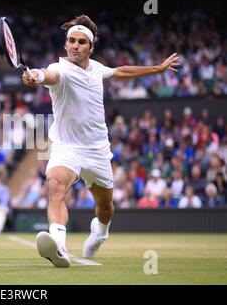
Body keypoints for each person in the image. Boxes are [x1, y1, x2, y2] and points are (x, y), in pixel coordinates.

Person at [22, 14, 179, 267]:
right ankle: (59, 247)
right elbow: (47, 75)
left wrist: (157, 69)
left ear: (90, 47)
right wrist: (36, 77)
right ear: (65, 45)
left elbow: (121, 72)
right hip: (67, 147)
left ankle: (100, 233)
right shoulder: (59, 69)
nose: (75, 46)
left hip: (97, 150)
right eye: (71, 41)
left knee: (105, 209)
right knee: (55, 184)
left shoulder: (97, 69)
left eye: (81, 42)